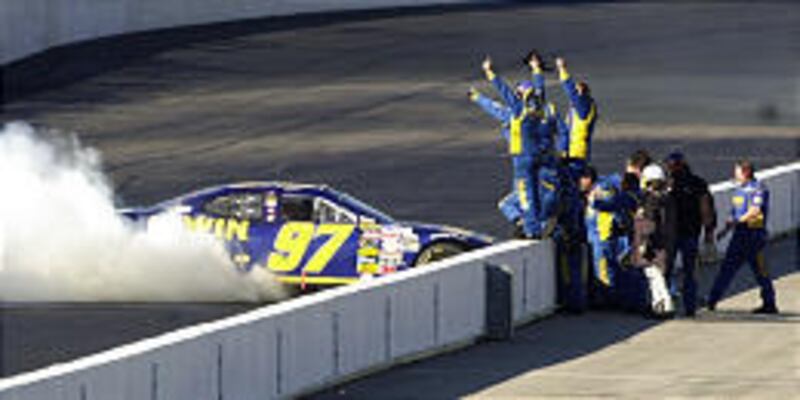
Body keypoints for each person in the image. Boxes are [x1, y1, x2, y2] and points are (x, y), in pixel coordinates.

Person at [470, 57, 543, 238]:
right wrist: (536, 70)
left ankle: (527, 226)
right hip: (539, 156)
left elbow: (500, 100)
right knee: (531, 192)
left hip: (521, 159)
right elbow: (540, 89)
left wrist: (488, 76)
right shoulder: (539, 107)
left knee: (509, 203)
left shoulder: (516, 112)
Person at [707, 160, 778, 314]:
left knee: (761, 272)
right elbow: (734, 213)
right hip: (739, 236)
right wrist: (725, 230)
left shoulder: (758, 188)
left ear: (745, 172)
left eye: (737, 171)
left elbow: (755, 211)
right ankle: (712, 300)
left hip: (755, 237)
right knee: (726, 269)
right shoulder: (739, 190)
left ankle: (769, 303)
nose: (735, 174)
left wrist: (738, 221)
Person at [663, 152, 716, 317]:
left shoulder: (667, 185)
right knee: (689, 273)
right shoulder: (698, 183)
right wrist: (708, 233)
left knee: (665, 271)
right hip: (691, 234)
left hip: (670, 236)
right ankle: (690, 307)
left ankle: (665, 306)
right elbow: (707, 210)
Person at [555, 57, 598, 177]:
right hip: (573, 152)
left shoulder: (583, 106)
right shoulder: (582, 108)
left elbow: (571, 91)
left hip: (575, 155)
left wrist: (562, 69)